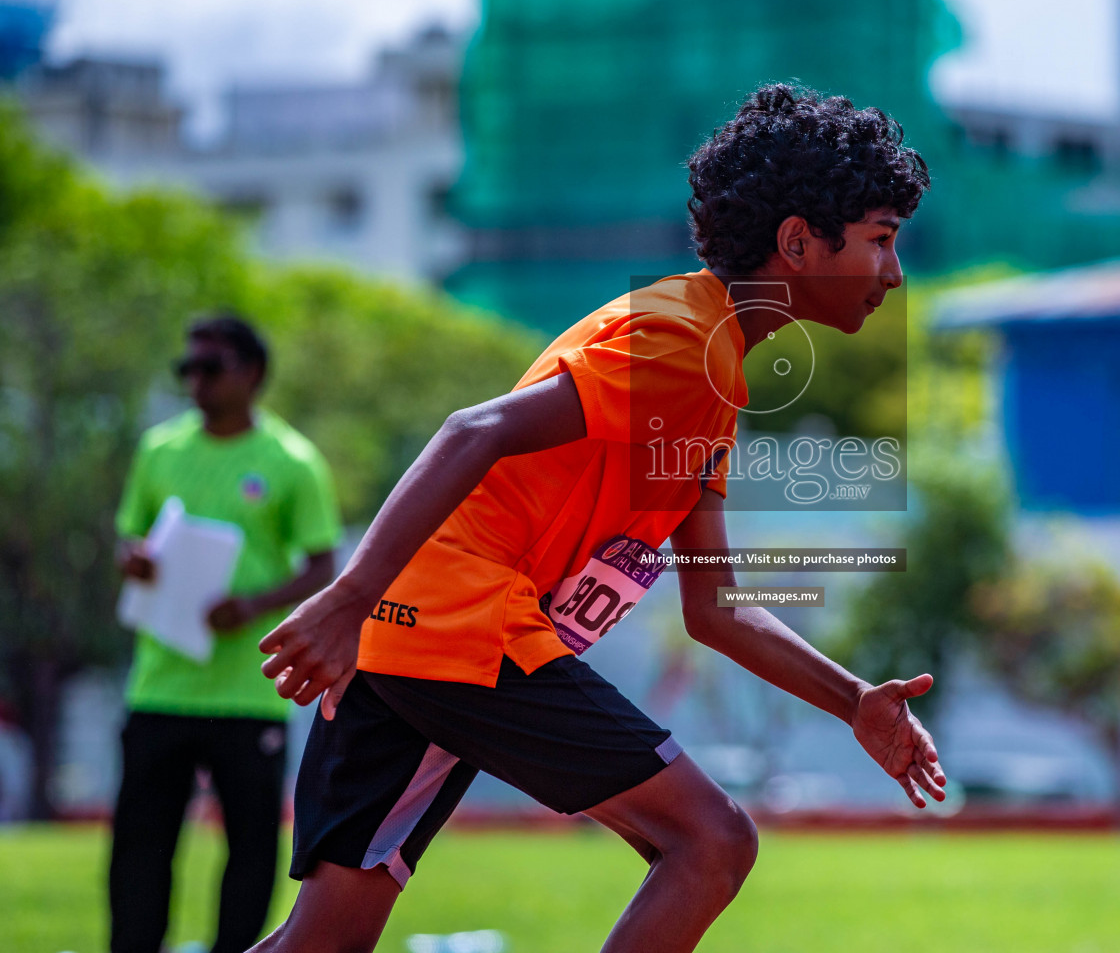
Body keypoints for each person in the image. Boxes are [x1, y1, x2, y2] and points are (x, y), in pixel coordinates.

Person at [252, 84, 945, 953]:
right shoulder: (681, 345)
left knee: (318, 946)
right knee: (711, 841)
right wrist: (351, 596)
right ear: (799, 241)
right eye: (881, 241)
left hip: (416, 635)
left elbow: (714, 608)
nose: (894, 272)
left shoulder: (713, 369)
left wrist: (853, 703)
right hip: (460, 624)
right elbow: (476, 429)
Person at [112, 316, 342, 953]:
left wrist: (252, 605)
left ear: (253, 374)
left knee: (249, 846)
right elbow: (130, 535)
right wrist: (131, 557)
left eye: (210, 368)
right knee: (140, 846)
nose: (196, 382)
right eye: (187, 369)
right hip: (161, 683)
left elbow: (323, 566)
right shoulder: (160, 449)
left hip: (248, 688)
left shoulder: (290, 462)